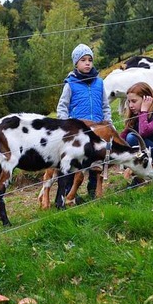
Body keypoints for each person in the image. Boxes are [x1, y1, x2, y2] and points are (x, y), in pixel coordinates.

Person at [57, 43, 112, 199]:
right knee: (74, 163)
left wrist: (108, 123)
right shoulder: (70, 84)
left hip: (98, 131)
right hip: (78, 132)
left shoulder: (99, 83)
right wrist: (66, 126)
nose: (87, 63)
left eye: (89, 60)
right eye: (83, 60)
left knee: (96, 162)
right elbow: (62, 107)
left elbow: (105, 106)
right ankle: (68, 192)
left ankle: (93, 190)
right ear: (76, 63)